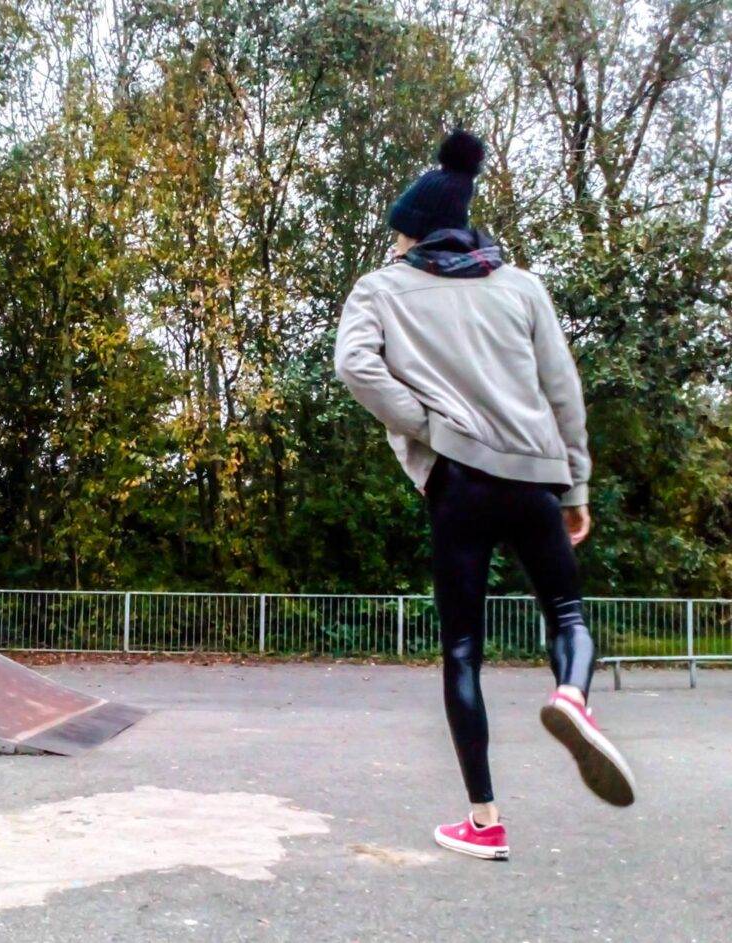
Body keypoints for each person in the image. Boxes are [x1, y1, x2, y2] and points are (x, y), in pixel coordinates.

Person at [333, 128, 635, 861]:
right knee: (566, 611)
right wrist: (576, 483)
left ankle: (484, 820)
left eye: (399, 232)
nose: (394, 243)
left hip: (459, 482)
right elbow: (563, 389)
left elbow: (354, 365)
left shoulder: (381, 288)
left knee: (462, 648)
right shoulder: (522, 286)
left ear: (414, 231)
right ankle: (571, 696)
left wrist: (427, 426)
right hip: (535, 474)